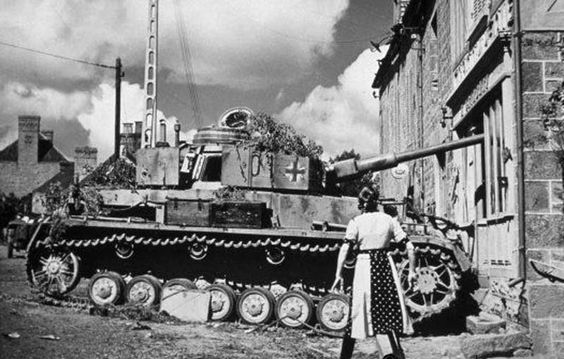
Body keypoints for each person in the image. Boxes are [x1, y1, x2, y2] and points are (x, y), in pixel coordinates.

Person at [331, 185, 416, 359]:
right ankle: (393, 352)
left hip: (364, 267)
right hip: (385, 267)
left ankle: (345, 356)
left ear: (361, 203)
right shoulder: (389, 220)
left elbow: (345, 248)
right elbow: (410, 246)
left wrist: (338, 274)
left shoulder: (356, 222)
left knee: (358, 312)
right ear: (377, 201)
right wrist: (412, 271)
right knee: (386, 314)